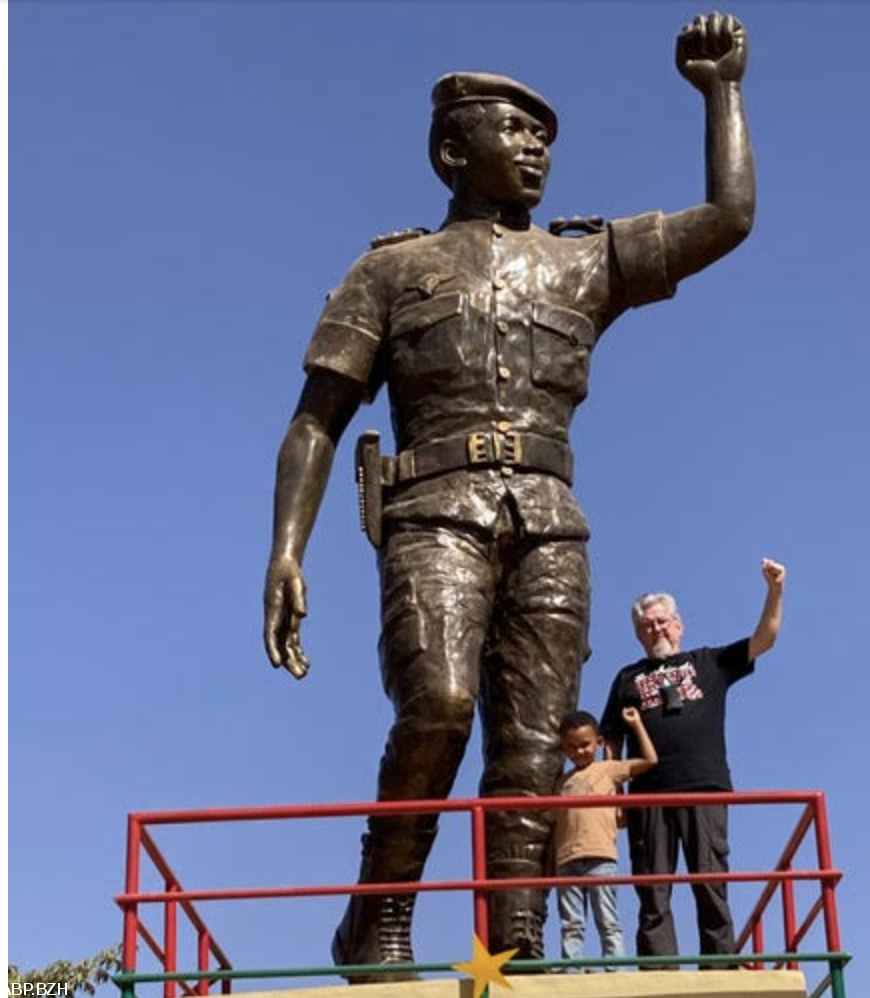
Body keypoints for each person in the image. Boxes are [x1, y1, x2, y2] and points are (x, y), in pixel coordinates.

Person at [259, 12, 755, 978]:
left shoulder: (581, 260)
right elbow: (315, 417)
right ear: (453, 149)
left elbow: (727, 219)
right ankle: (382, 916)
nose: (537, 150)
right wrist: (287, 549)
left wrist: (722, 92)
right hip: (433, 509)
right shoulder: (391, 270)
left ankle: (512, 943)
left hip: (548, 520)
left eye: (547, 140)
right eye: (515, 131)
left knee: (532, 740)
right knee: (439, 705)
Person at [598, 558, 785, 964]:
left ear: (679, 624)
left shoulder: (709, 662)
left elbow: (764, 639)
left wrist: (775, 590)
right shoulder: (626, 678)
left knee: (710, 880)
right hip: (647, 795)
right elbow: (610, 742)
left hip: (704, 786)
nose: (657, 629)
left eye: (663, 621)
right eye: (647, 625)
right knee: (652, 888)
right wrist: (612, 796)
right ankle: (660, 971)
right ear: (637, 635)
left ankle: (720, 963)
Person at [553, 707, 657, 971]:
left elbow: (649, 760)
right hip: (567, 859)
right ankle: (572, 969)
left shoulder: (608, 769)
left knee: (607, 919)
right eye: (572, 747)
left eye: (586, 745)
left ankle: (615, 968)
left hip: (601, 857)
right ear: (563, 749)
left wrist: (636, 725)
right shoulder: (561, 783)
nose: (580, 752)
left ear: (598, 743)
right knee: (571, 923)